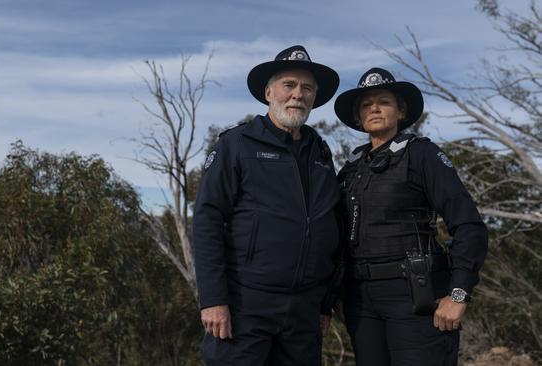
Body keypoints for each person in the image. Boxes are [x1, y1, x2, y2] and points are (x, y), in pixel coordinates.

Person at [192, 45, 341, 365]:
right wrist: (214, 300)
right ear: (269, 92)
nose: (297, 94)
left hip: (303, 312)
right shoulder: (236, 144)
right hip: (245, 306)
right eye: (289, 85)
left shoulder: (322, 154)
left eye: (307, 88)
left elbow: (332, 229)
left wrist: (325, 303)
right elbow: (207, 220)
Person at [333, 67, 489, 366]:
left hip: (415, 295)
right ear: (358, 116)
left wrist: (458, 294)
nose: (374, 108)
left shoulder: (422, 155)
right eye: (366, 104)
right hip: (361, 301)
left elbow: (469, 226)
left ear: (400, 111)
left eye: (384, 101)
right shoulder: (351, 168)